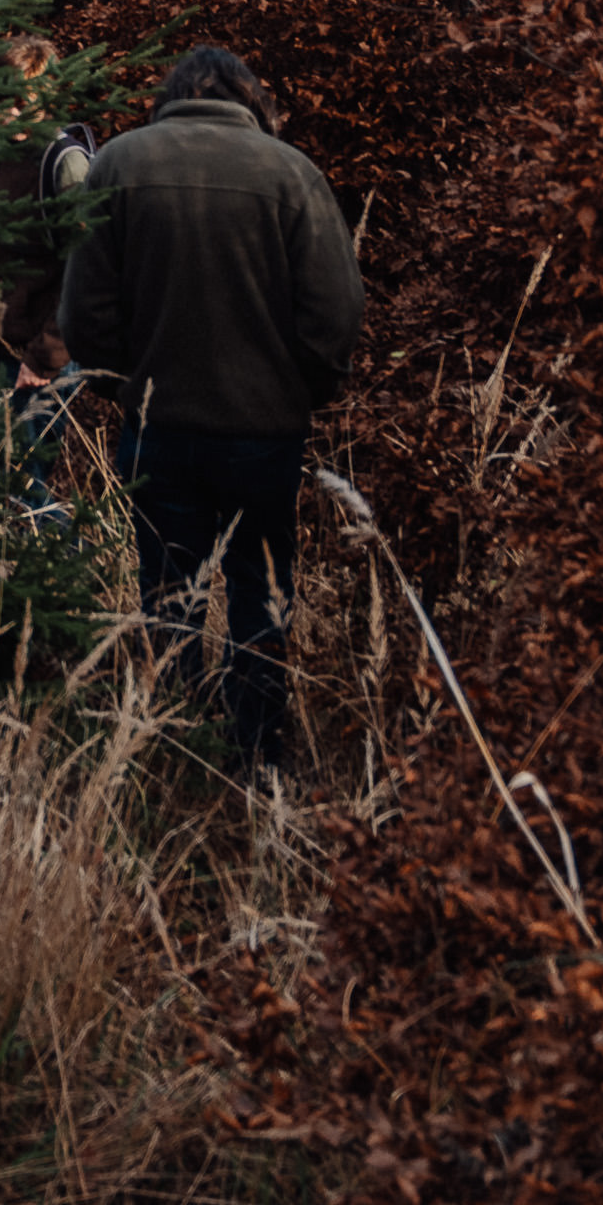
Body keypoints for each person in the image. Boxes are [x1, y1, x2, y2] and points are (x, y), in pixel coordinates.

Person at [61, 44, 361, 777]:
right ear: (249, 99)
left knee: (168, 593)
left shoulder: (120, 164)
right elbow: (336, 315)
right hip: (264, 434)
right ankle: (256, 755)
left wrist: (124, 384)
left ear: (171, 96)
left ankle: (172, 751)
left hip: (158, 428)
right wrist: (303, 393)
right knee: (262, 593)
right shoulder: (291, 173)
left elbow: (86, 313)